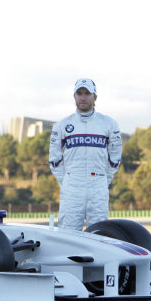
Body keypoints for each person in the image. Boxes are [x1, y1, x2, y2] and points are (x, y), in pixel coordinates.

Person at [48, 78, 122, 231]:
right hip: (72, 185)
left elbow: (115, 156)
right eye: (79, 93)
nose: (83, 97)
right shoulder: (61, 125)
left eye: (87, 93)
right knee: (68, 233)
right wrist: (68, 180)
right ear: (74, 96)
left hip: (99, 184)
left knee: (99, 233)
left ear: (95, 97)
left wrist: (104, 178)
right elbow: (55, 159)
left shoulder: (109, 124)